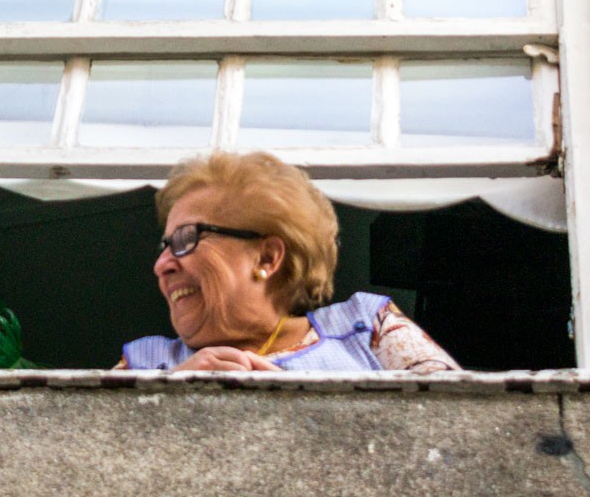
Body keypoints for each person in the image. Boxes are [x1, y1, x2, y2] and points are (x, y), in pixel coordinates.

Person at [118, 150, 461, 373]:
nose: (162, 265)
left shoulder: (367, 327)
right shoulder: (145, 365)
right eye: (165, 246)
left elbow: (461, 436)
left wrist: (303, 408)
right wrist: (165, 403)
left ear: (267, 257)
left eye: (185, 239)